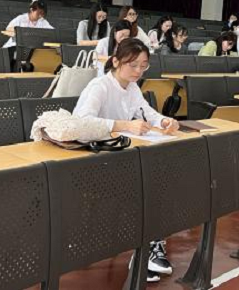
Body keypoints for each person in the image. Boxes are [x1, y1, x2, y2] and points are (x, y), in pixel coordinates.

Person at [73, 39, 179, 283]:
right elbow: (82, 122)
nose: (139, 71)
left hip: (117, 157)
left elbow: (147, 113)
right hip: (91, 159)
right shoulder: (100, 86)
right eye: (133, 65)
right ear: (116, 61)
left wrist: (164, 121)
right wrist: (124, 125)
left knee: (159, 178)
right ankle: (147, 248)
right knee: (145, 184)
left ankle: (148, 247)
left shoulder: (132, 88)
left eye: (143, 65)